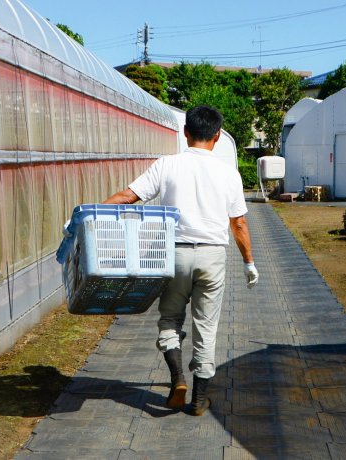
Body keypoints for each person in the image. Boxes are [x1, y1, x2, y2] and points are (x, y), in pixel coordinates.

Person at [103, 105, 259, 416]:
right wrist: (249, 262)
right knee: (206, 326)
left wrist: (85, 216)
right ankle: (200, 399)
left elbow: (127, 196)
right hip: (212, 256)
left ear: (185, 132)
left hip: (173, 253)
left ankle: (177, 379)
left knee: (170, 319)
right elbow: (238, 223)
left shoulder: (167, 165)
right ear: (217, 136)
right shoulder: (229, 173)